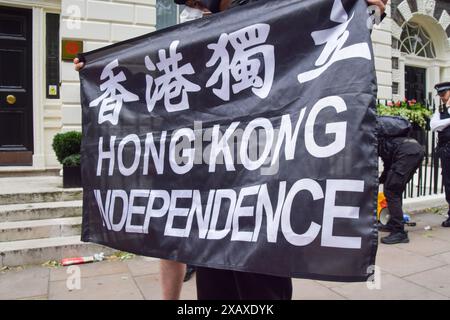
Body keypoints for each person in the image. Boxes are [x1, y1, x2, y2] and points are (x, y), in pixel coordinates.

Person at [74, 0, 388, 300]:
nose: (192, 5)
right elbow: (158, 76)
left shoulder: (263, 12)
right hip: (211, 177)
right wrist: (98, 70)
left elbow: (317, 31)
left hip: (254, 176)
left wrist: (367, 10)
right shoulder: (202, 30)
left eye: (195, 0)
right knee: (214, 276)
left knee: (256, 279)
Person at [377, 116, 425, 244]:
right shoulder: (384, 135)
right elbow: (389, 163)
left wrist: (381, 179)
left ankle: (399, 232)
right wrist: (381, 179)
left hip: (406, 154)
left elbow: (387, 162)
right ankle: (393, 224)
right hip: (414, 150)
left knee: (392, 191)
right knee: (395, 190)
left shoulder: (376, 138)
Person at [431, 82, 450, 228]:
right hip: (445, 150)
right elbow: (434, 126)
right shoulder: (440, 109)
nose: (442, 98)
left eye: (444, 94)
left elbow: (439, 124)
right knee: (448, 183)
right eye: (441, 95)